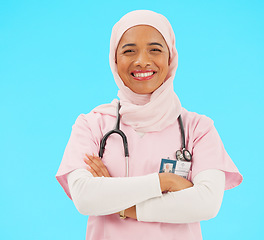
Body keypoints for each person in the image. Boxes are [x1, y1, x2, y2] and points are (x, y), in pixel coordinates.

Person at [56, 10, 243, 240]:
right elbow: (85, 198)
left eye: (155, 49)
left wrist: (123, 206)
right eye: (129, 51)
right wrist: (165, 182)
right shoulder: (91, 125)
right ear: (115, 59)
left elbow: (206, 203)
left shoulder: (198, 129)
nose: (142, 60)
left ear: (170, 57)